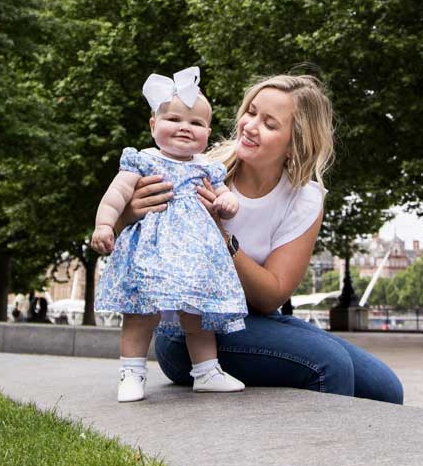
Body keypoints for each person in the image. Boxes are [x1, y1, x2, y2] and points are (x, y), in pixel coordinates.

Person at [121, 73, 404, 403]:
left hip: (256, 319)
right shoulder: (195, 169)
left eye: (269, 124)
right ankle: (317, 452)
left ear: (294, 142)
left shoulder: (305, 198)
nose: (250, 125)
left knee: (385, 388)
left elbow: (270, 296)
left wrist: (222, 236)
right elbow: (124, 231)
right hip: (189, 331)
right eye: (251, 112)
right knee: (331, 364)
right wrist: (130, 213)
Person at [93, 67, 248, 402]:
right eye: (174, 119)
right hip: (150, 253)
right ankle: (131, 372)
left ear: (208, 132)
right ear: (153, 126)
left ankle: (207, 371)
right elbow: (116, 196)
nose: (184, 128)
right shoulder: (143, 161)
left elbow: (224, 194)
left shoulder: (205, 166)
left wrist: (227, 201)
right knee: (140, 313)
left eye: (196, 123)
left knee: (198, 316)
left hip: (195, 258)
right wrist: (105, 224)